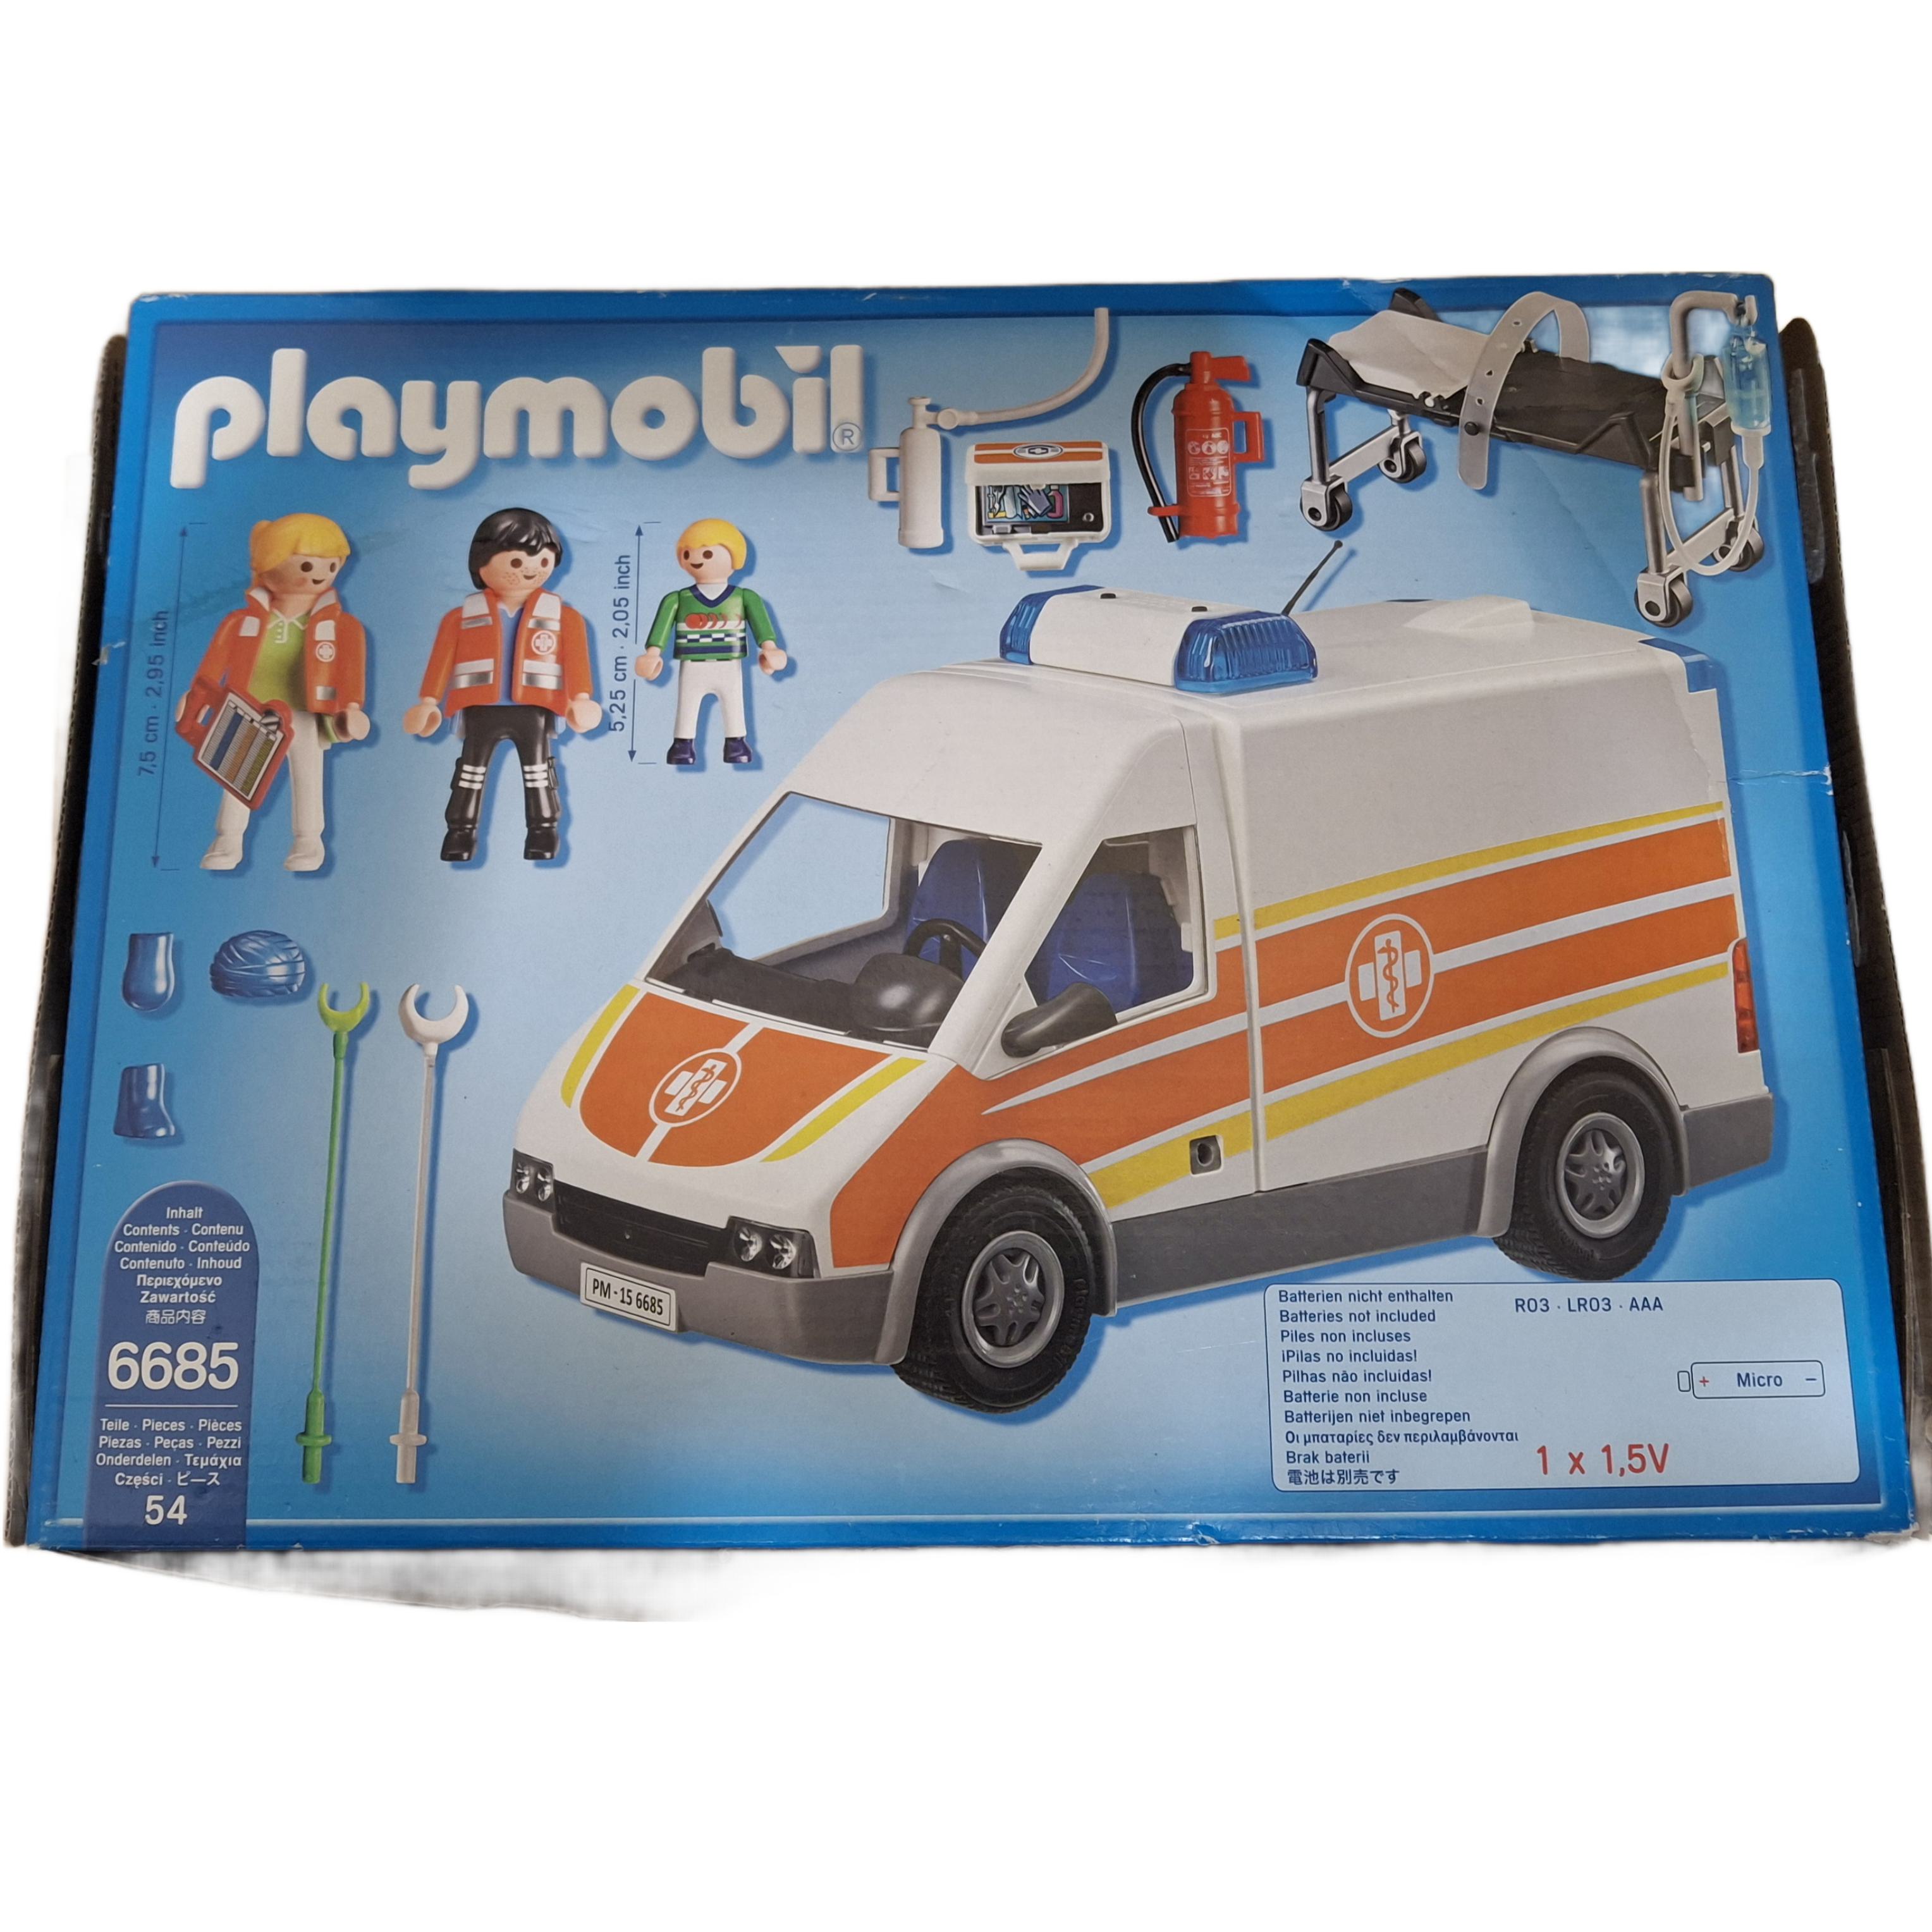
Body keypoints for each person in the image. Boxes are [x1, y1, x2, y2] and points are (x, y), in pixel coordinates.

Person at [407, 508, 600, 862]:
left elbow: (576, 660)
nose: (530, 570)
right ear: (481, 562)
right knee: (470, 771)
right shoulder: (461, 618)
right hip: (480, 707)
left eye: (543, 560)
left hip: (535, 708)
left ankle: (543, 830)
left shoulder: (564, 618)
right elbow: (441, 661)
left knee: (538, 771)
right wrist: (429, 701)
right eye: (516, 561)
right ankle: (460, 832)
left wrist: (581, 698)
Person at [189, 513, 369, 872]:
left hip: (305, 711)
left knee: (308, 774)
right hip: (249, 709)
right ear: (268, 565)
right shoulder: (242, 622)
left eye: (331, 565)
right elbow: (214, 663)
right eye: (306, 565)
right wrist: (195, 696)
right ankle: (228, 839)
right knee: (236, 775)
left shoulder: (342, 626)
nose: (318, 574)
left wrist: (352, 706)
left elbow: (352, 669)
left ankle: (309, 840)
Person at [642, 518, 785, 766]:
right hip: (693, 663)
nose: (697, 559)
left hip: (729, 663)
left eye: (707, 553)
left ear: (735, 556)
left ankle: (736, 742)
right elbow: (661, 627)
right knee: (687, 702)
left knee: (733, 701)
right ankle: (683, 744)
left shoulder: (744, 597)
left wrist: (770, 648)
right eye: (688, 553)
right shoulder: (678, 599)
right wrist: (653, 653)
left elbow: (761, 625)